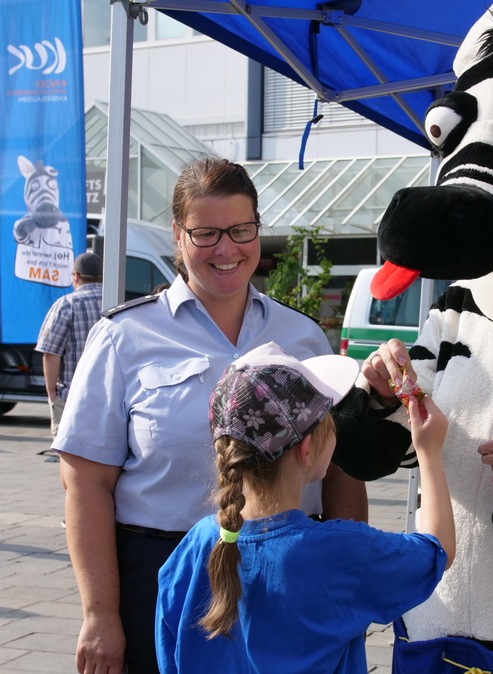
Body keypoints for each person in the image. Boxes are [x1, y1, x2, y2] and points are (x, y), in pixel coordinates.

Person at [55, 157, 367, 674]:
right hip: (165, 576)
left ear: (257, 229)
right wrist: (100, 615)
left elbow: (340, 471)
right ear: (178, 236)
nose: (226, 249)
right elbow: (85, 482)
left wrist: (347, 582)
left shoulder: (304, 337)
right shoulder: (124, 337)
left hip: (291, 573)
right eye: (206, 234)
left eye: (241, 230)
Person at [156, 342, 455, 674]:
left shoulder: (196, 545)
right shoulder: (342, 551)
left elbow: (171, 649)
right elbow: (438, 551)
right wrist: (429, 453)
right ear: (308, 447)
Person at [35, 251, 103, 437]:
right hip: (110, 398)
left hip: (72, 396)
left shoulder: (67, 304)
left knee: (68, 451)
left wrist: (52, 394)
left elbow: (50, 353)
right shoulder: (116, 302)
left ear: (76, 276)